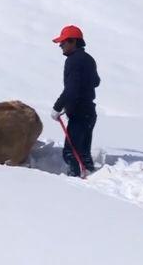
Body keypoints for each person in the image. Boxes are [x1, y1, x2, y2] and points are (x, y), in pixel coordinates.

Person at [50, 25, 100, 176]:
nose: (60, 46)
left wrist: (57, 107)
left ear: (73, 42)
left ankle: (76, 183)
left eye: (63, 42)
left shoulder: (73, 61)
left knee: (70, 154)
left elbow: (71, 89)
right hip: (89, 112)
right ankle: (92, 176)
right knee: (83, 153)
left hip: (79, 114)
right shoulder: (89, 59)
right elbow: (96, 82)